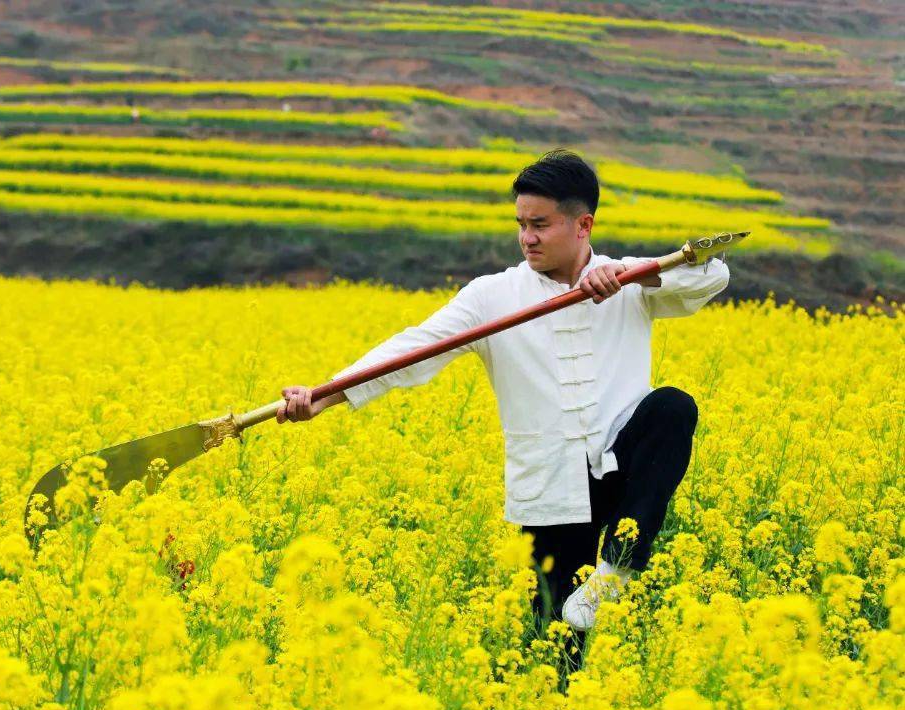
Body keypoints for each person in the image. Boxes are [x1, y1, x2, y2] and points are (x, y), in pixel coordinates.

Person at [275, 149, 729, 633]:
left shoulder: (627, 278)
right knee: (554, 638)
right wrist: (327, 395)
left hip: (620, 464)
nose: (526, 238)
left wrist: (646, 274)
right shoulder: (492, 296)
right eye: (520, 224)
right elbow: (415, 348)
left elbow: (711, 273)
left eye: (540, 224)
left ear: (584, 225)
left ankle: (617, 568)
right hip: (551, 484)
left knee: (673, 407)